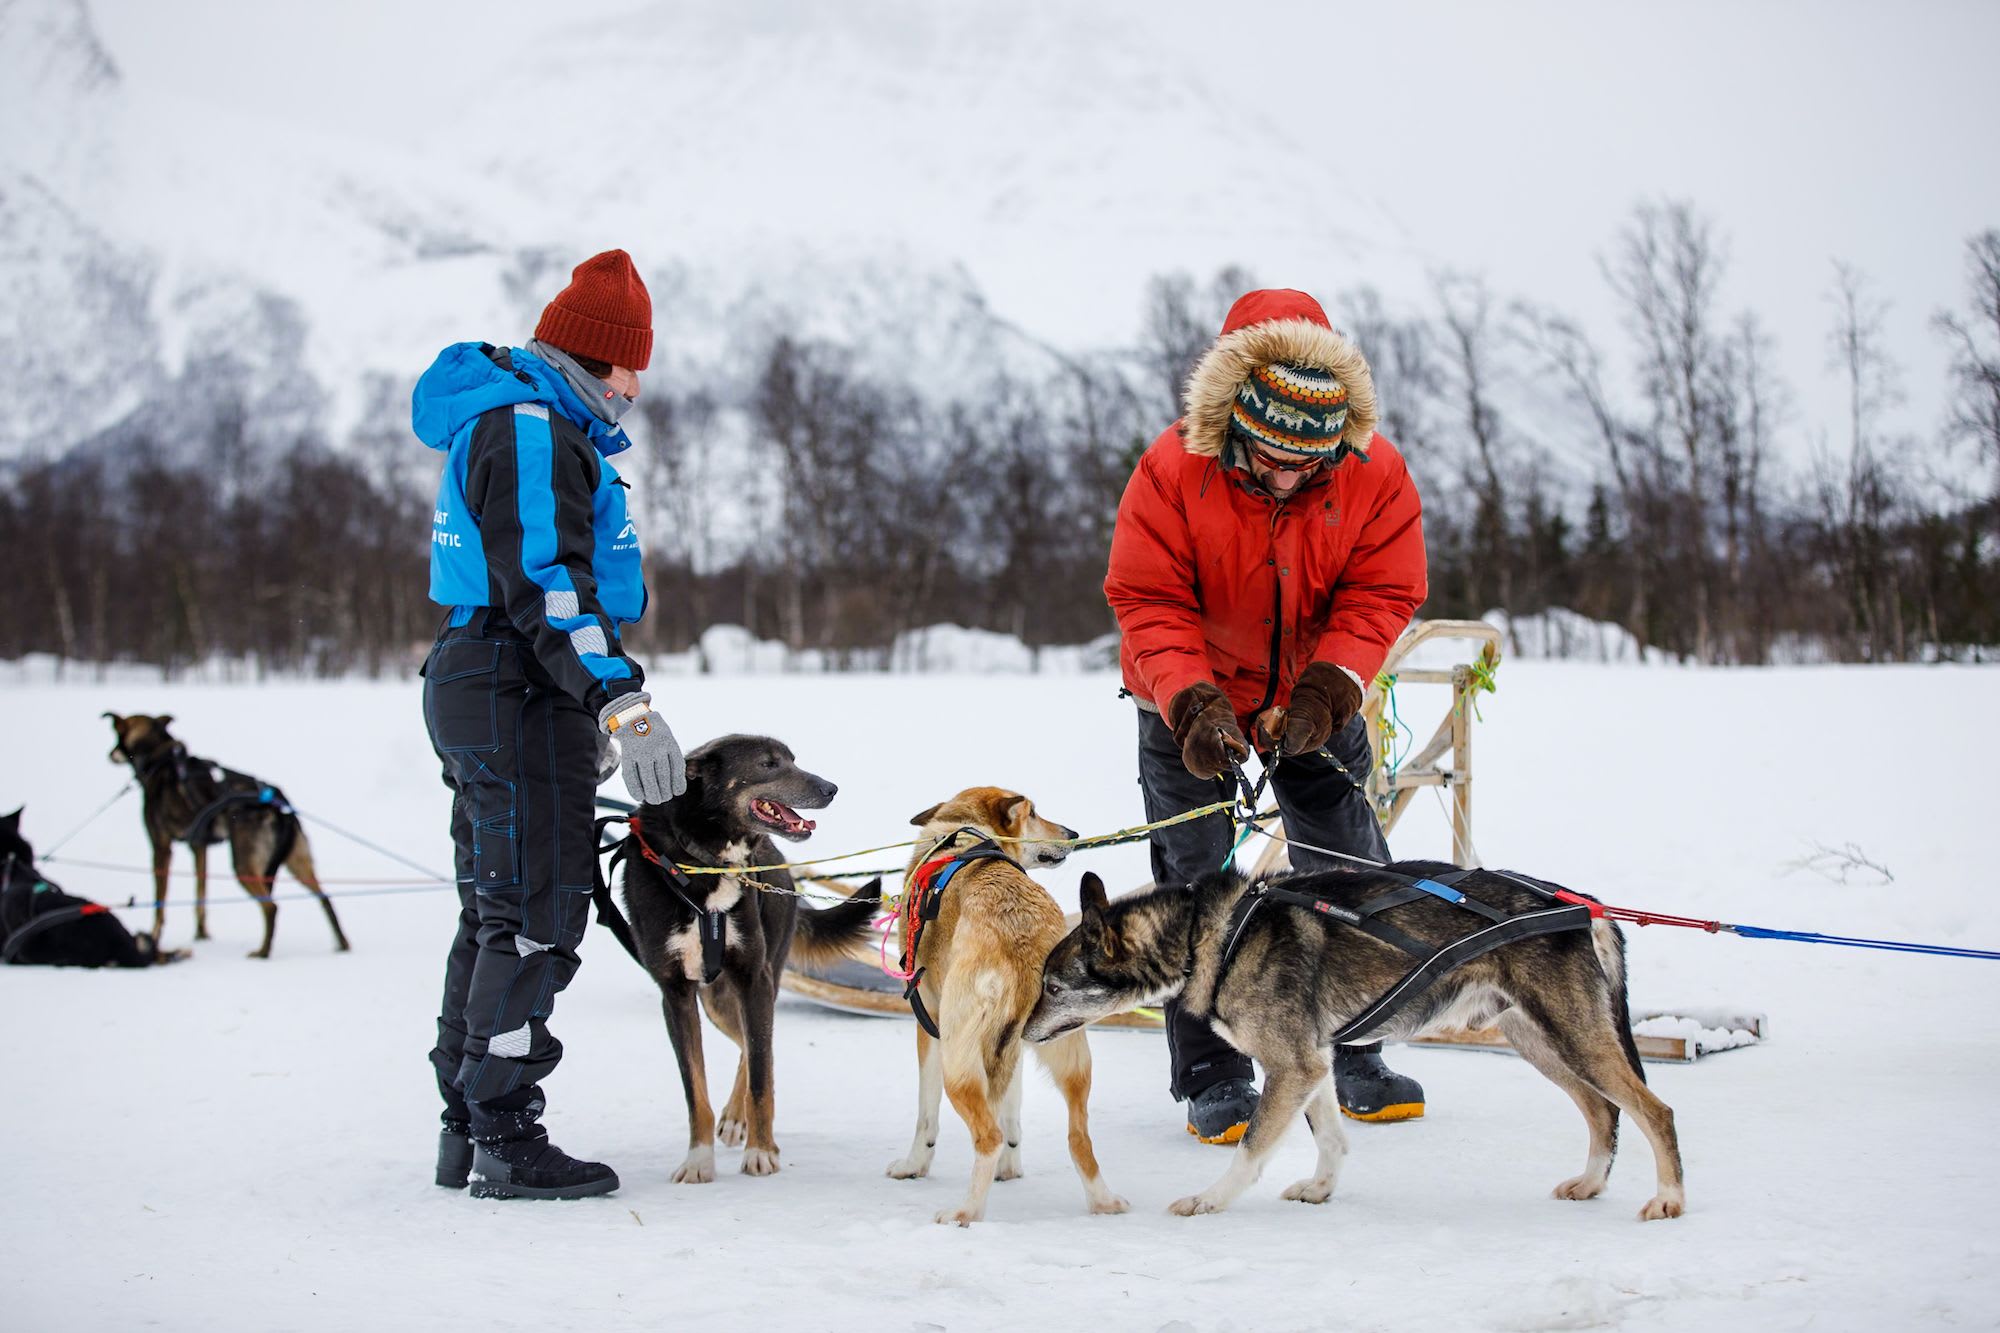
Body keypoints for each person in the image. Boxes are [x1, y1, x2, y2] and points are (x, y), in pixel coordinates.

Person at [1105, 287, 1430, 1144]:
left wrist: (1330, 687)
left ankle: (1358, 1047)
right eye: (1269, 458)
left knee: (1350, 864)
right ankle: (1213, 1069)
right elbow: (1149, 597)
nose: (1287, 475)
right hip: (1187, 700)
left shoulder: (1376, 472)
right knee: (1195, 874)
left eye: (1307, 463)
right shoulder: (1171, 467)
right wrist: (1192, 700)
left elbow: (1382, 590)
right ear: (1233, 414)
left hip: (1310, 700)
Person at [411, 250, 687, 1200]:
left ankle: (467, 1125)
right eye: (628, 365)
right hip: (513, 682)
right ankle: (503, 1131)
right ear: (591, 356)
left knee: (498, 908)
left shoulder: (531, 417)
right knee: (535, 913)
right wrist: (620, 696)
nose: (637, 385)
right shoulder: (530, 427)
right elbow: (548, 582)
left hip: (499, 680)